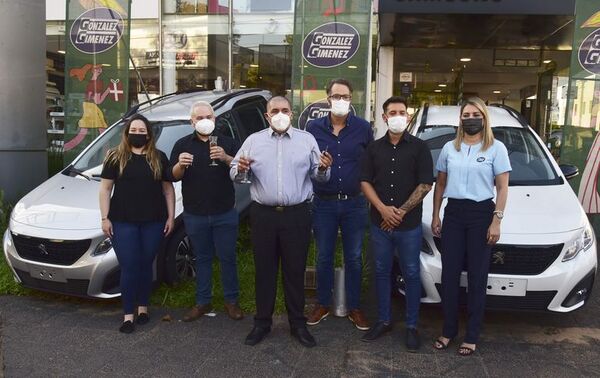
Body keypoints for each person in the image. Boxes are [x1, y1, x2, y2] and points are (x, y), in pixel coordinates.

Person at [230, 96, 333, 348]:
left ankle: (297, 324)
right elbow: (235, 173)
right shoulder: (253, 141)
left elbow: (320, 176)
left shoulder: (306, 140)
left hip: (297, 214)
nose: (280, 114)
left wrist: (323, 168)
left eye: (284, 110)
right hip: (263, 214)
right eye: (274, 110)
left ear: (291, 112)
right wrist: (242, 168)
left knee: (295, 271)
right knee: (264, 270)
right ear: (267, 116)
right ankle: (262, 323)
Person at [431, 97, 510, 356]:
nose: (470, 119)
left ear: (484, 118)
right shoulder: (448, 148)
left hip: (481, 215)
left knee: (477, 277)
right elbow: (440, 185)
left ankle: (472, 335)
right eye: (466, 115)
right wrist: (436, 215)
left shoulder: (496, 148)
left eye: (475, 114)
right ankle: (448, 331)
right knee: (449, 275)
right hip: (453, 213)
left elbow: (502, 187)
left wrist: (496, 221)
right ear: (460, 119)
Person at [360, 96, 433, 351]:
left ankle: (412, 326)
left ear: (408, 116)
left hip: (408, 224)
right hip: (379, 224)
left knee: (411, 273)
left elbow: (425, 184)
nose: (398, 116)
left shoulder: (420, 148)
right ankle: (383, 320)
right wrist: (382, 209)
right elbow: (365, 181)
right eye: (393, 112)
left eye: (402, 112)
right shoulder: (373, 148)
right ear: (384, 117)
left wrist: (399, 212)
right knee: (381, 271)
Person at [305, 78, 373, 331]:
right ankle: (323, 303)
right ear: (328, 98)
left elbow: (370, 163)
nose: (341, 101)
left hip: (355, 203)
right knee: (323, 256)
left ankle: (355, 307)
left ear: (351, 99)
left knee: (354, 257)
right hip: (324, 202)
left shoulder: (363, 128)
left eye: (345, 96)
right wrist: (321, 168)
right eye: (336, 96)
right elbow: (308, 165)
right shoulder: (313, 128)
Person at [99, 114, 175, 333]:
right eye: (135, 130)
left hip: (154, 221)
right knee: (129, 266)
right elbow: (105, 189)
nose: (138, 134)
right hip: (123, 222)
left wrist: (171, 217)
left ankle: (143, 308)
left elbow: (168, 189)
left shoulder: (159, 157)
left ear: (149, 134)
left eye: (142, 131)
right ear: (127, 132)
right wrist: (105, 218)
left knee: (145, 264)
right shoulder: (115, 157)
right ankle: (128, 315)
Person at [170, 101, 243, 322]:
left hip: (224, 212)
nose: (205, 121)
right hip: (195, 213)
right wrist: (180, 165)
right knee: (201, 258)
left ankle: (231, 301)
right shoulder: (182, 144)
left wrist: (227, 158)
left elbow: (243, 170)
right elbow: (172, 175)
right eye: (199, 118)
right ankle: (203, 301)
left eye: (208, 117)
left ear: (215, 119)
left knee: (227, 257)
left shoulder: (227, 142)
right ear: (192, 122)